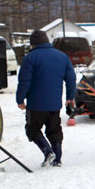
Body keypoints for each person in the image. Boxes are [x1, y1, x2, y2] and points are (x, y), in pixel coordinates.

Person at [15, 30, 75, 167]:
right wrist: (70, 97)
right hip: (54, 103)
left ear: (33, 44)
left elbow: (24, 81)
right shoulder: (62, 56)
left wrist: (20, 99)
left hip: (36, 104)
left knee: (32, 129)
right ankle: (57, 158)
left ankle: (48, 152)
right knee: (54, 130)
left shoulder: (30, 58)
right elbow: (71, 78)